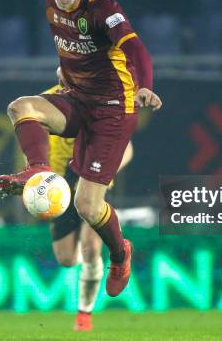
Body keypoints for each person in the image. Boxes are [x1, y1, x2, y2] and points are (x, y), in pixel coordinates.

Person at [0, 0, 162, 298]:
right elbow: (72, 48)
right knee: (19, 107)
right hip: (77, 99)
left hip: (112, 111)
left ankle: (120, 253)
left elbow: (136, 50)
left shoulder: (105, 10)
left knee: (87, 206)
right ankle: (38, 169)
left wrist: (145, 86)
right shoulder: (50, 3)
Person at [43, 76, 134, 331]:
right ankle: (92, 270)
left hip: (93, 178)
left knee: (91, 249)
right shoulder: (47, 101)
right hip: (59, 184)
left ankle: (84, 313)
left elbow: (126, 148)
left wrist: (109, 166)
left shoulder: (100, 100)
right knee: (67, 259)